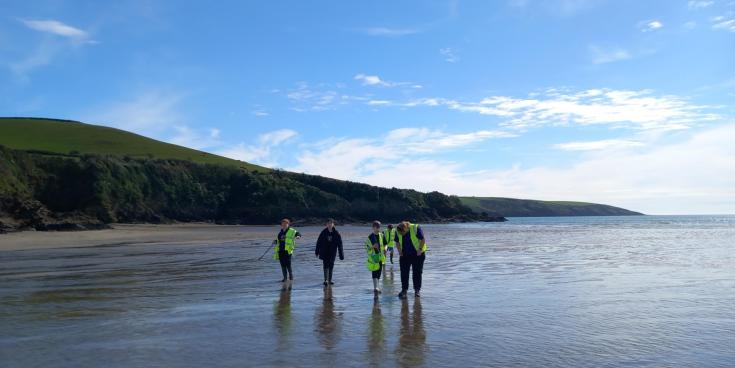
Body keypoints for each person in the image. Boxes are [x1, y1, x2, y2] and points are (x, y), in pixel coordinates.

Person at [395, 221, 426, 298]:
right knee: (404, 273)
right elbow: (397, 242)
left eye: (403, 232)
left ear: (406, 228)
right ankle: (404, 290)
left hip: (418, 255)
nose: (402, 234)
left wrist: (419, 249)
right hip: (404, 255)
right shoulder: (398, 230)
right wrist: (399, 252)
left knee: (417, 273)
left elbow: (422, 239)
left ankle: (417, 291)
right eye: (400, 233)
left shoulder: (416, 228)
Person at [315, 218, 344, 286]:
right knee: (325, 265)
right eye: (328, 223)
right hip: (324, 251)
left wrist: (341, 254)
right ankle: (326, 280)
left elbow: (340, 244)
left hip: (332, 252)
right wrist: (317, 251)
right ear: (326, 224)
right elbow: (318, 242)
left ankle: (330, 280)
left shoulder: (336, 233)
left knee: (331, 266)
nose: (329, 225)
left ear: (333, 224)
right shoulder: (323, 232)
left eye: (331, 223)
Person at [273, 218, 301, 282]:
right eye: (283, 224)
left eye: (285, 224)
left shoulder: (292, 230)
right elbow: (278, 241)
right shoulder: (280, 232)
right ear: (281, 225)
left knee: (288, 264)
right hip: (280, 250)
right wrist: (275, 241)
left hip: (288, 250)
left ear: (288, 224)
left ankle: (291, 277)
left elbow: (298, 233)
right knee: (282, 265)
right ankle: (285, 278)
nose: (284, 225)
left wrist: (298, 236)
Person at [365, 220, 387, 293]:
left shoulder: (382, 235)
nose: (378, 228)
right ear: (373, 227)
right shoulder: (370, 237)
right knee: (374, 272)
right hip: (374, 257)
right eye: (376, 227)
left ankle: (377, 286)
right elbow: (366, 248)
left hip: (381, 257)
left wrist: (385, 249)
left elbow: (385, 244)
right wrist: (372, 247)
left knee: (379, 272)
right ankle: (376, 287)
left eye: (379, 227)